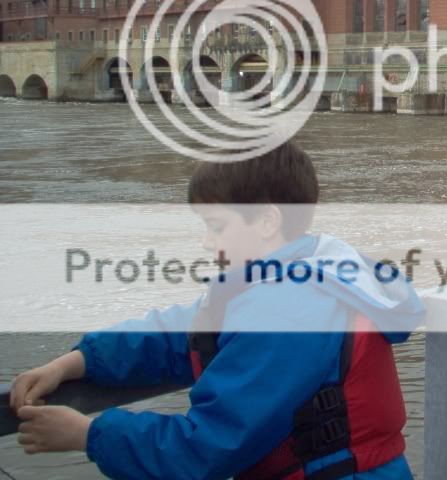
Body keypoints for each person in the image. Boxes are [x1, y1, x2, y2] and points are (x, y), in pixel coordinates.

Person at [10, 141, 425, 479]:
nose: (207, 244)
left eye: (217, 227)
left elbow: (208, 447)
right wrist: (79, 360)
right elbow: (186, 334)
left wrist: (88, 433)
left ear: (266, 222)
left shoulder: (290, 313)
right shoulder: (310, 273)